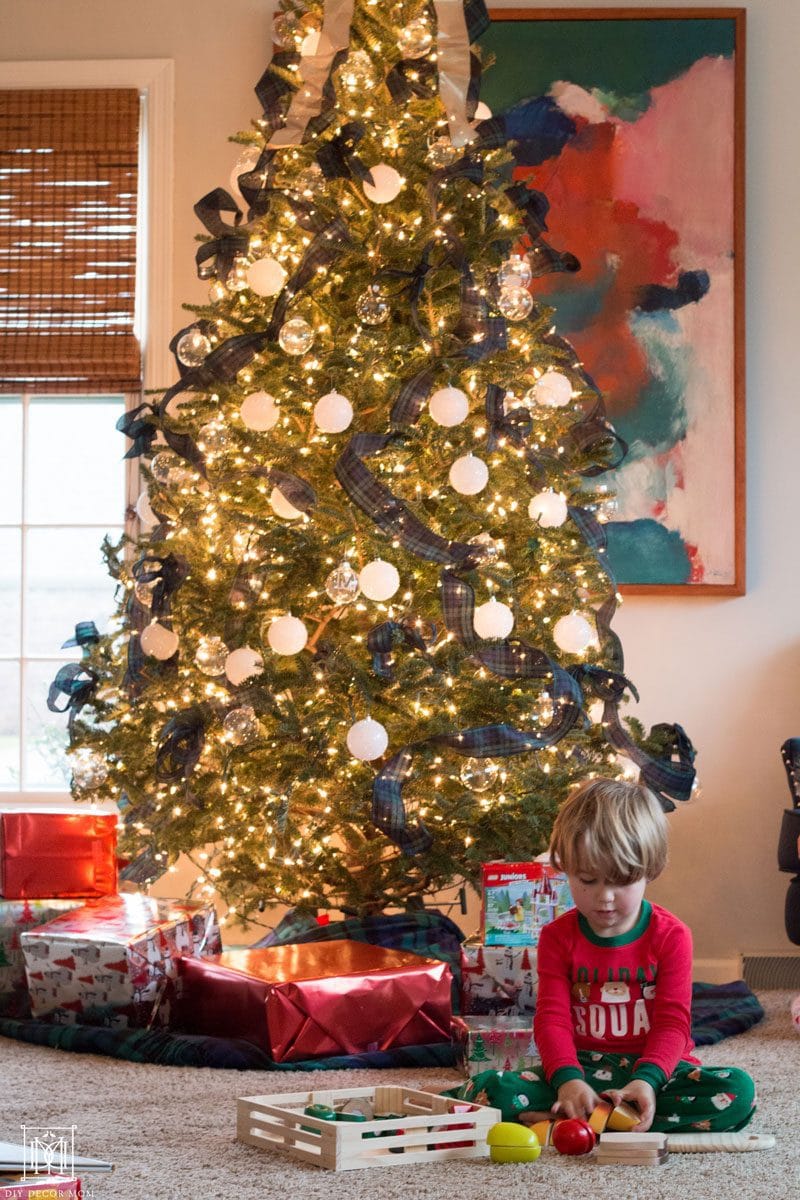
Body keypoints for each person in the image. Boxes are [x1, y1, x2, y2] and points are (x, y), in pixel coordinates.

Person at [451, 779, 756, 1133]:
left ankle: (581, 1122)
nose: (605, 897)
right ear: (565, 867)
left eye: (621, 881)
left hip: (657, 1072)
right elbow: (551, 1020)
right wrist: (567, 1079)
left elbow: (673, 1024)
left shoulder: (672, 936)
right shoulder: (556, 937)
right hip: (582, 1071)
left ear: (650, 870)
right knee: (491, 1090)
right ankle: (601, 1120)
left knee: (737, 1091)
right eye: (588, 880)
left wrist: (647, 1081)